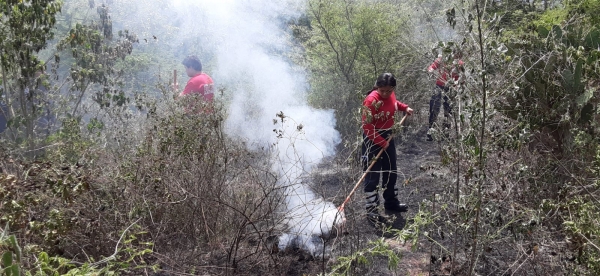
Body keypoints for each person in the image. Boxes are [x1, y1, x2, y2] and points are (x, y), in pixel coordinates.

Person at [361, 73, 414, 224]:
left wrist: (405, 108)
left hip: (388, 136)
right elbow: (367, 127)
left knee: (391, 171)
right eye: (382, 90)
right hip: (372, 140)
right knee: (373, 175)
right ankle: (371, 210)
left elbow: (394, 103)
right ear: (377, 87)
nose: (385, 93)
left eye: (388, 91)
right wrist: (380, 141)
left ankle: (391, 203)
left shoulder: (390, 94)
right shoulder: (370, 100)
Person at [426, 50, 464, 141]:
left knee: (448, 111)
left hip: (451, 88)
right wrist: (430, 70)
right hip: (439, 86)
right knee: (434, 107)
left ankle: (445, 134)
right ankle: (431, 132)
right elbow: (432, 66)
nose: (455, 55)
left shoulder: (460, 63)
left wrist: (458, 85)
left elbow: (461, 78)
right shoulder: (442, 59)